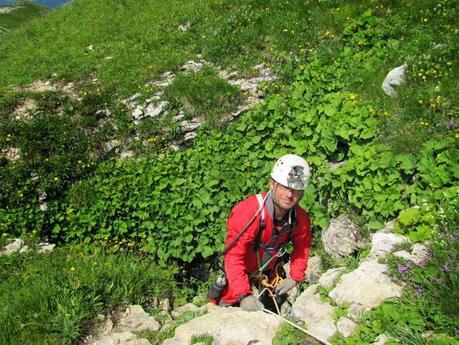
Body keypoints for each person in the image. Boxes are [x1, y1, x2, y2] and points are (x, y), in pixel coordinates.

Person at [215, 154, 312, 312]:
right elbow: (233, 256)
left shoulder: (300, 219)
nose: (290, 195)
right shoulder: (248, 212)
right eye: (286, 187)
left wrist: (295, 277)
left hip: (268, 275)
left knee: (272, 311)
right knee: (225, 310)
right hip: (239, 275)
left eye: (296, 190)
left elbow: (302, 247)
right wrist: (243, 295)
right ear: (272, 184)